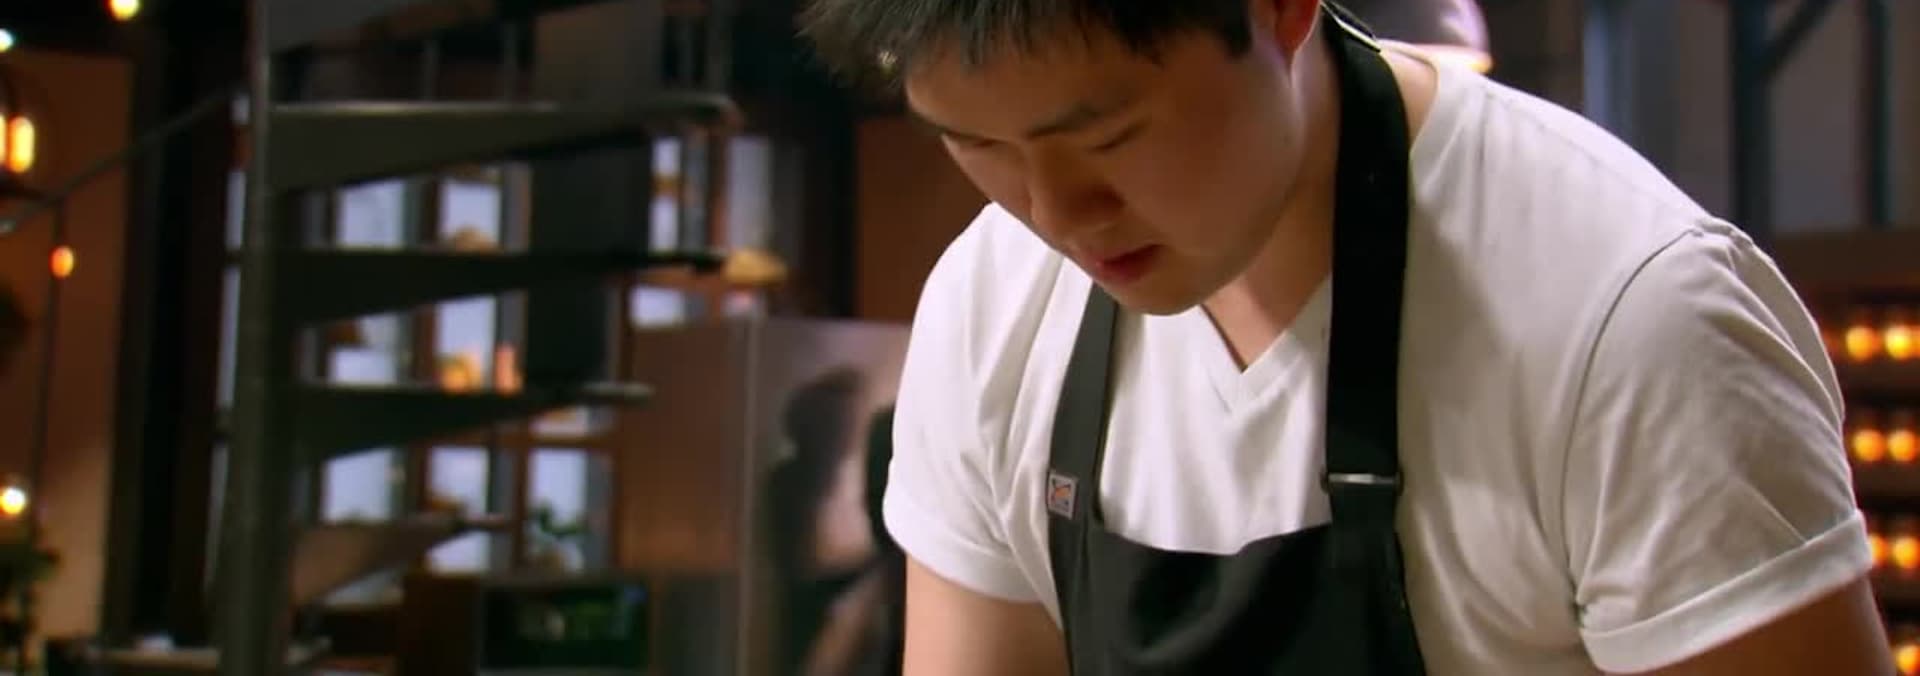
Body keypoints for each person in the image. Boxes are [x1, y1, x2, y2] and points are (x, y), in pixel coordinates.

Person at [798, 1, 1888, 674]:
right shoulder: (992, 303)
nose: (1055, 215)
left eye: (1110, 137)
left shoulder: (1633, 322)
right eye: (979, 145)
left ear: (1281, 11)